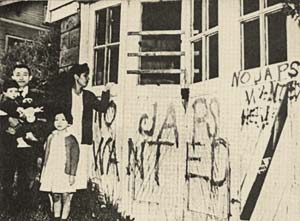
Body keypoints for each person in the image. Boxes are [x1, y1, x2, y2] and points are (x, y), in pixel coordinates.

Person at [56, 63, 110, 191]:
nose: (88, 78)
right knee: (64, 167)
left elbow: (102, 107)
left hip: (82, 137)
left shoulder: (88, 96)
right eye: (85, 76)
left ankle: (76, 202)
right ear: (76, 77)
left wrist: (106, 91)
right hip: (66, 136)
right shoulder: (64, 95)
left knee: (80, 171)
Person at [10, 63, 49, 209]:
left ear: (30, 77)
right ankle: (8, 204)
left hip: (29, 141)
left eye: (24, 74)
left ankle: (24, 205)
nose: (21, 78)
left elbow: (43, 117)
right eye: (18, 74)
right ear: (12, 76)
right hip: (10, 140)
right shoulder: (7, 95)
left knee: (27, 172)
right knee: (7, 172)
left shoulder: (37, 95)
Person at [40, 111, 80, 221]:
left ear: (68, 123)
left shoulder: (71, 139)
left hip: (64, 172)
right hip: (52, 169)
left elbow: (74, 159)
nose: (59, 122)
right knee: (55, 194)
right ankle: (56, 217)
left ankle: (64, 218)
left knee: (65, 195)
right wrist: (44, 170)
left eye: (63, 120)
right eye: (56, 119)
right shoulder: (51, 137)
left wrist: (72, 175)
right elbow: (46, 155)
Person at [0, 79, 20, 212]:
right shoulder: (7, 103)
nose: (13, 93)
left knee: (8, 172)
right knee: (6, 172)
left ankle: (7, 202)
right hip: (4, 141)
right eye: (10, 91)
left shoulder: (13, 102)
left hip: (10, 143)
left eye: (15, 91)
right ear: (4, 92)